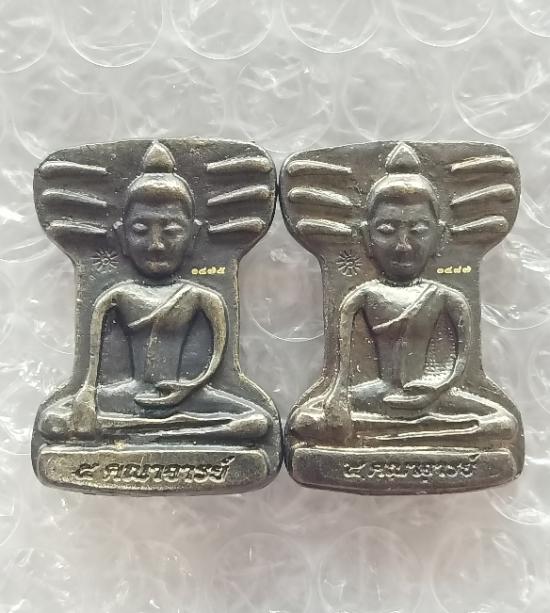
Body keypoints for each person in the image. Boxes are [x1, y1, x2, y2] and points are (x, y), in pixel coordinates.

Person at [288, 143, 518, 447]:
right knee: (304, 421)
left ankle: (403, 434)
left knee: (504, 423)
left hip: (436, 396)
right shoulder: (361, 296)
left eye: (418, 230)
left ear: (440, 236)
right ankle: (429, 434)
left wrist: (436, 388)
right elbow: (341, 372)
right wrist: (337, 399)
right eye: (387, 230)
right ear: (366, 237)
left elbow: (462, 364)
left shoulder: (448, 297)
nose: (403, 245)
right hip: (378, 394)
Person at [38, 142, 269, 441]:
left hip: (189, 395)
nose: (156, 244)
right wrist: (86, 398)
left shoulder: (203, 297)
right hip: (127, 395)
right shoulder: (115, 296)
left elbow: (216, 360)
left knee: (258, 422)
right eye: (140, 230)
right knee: (52, 422)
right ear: (121, 235)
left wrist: (188, 387)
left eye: (171, 231)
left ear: (194, 236)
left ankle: (161, 428)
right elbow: (90, 370)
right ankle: (177, 429)